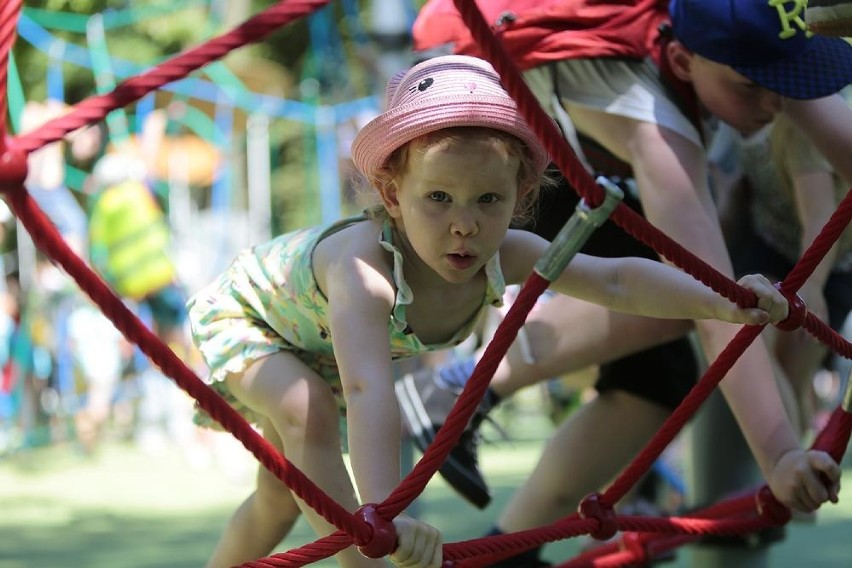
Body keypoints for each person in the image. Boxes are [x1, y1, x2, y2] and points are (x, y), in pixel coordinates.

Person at [185, 55, 803, 568]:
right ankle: (362, 558)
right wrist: (383, 516)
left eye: (489, 199)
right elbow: (368, 386)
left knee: (280, 496)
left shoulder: (502, 252)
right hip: (254, 319)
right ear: (393, 195)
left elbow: (614, 281)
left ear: (522, 196)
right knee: (308, 416)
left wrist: (722, 297)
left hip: (312, 347)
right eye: (439, 198)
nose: (465, 224)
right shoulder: (364, 272)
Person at [396, 0, 851, 545]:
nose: (774, 100)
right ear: (683, 64)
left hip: (586, 164)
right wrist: (781, 457)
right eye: (754, 86)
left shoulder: (739, 61)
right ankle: (457, 384)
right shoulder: (657, 130)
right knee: (689, 302)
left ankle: (511, 545)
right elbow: (713, 298)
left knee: (656, 384)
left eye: (785, 78)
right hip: (510, 161)